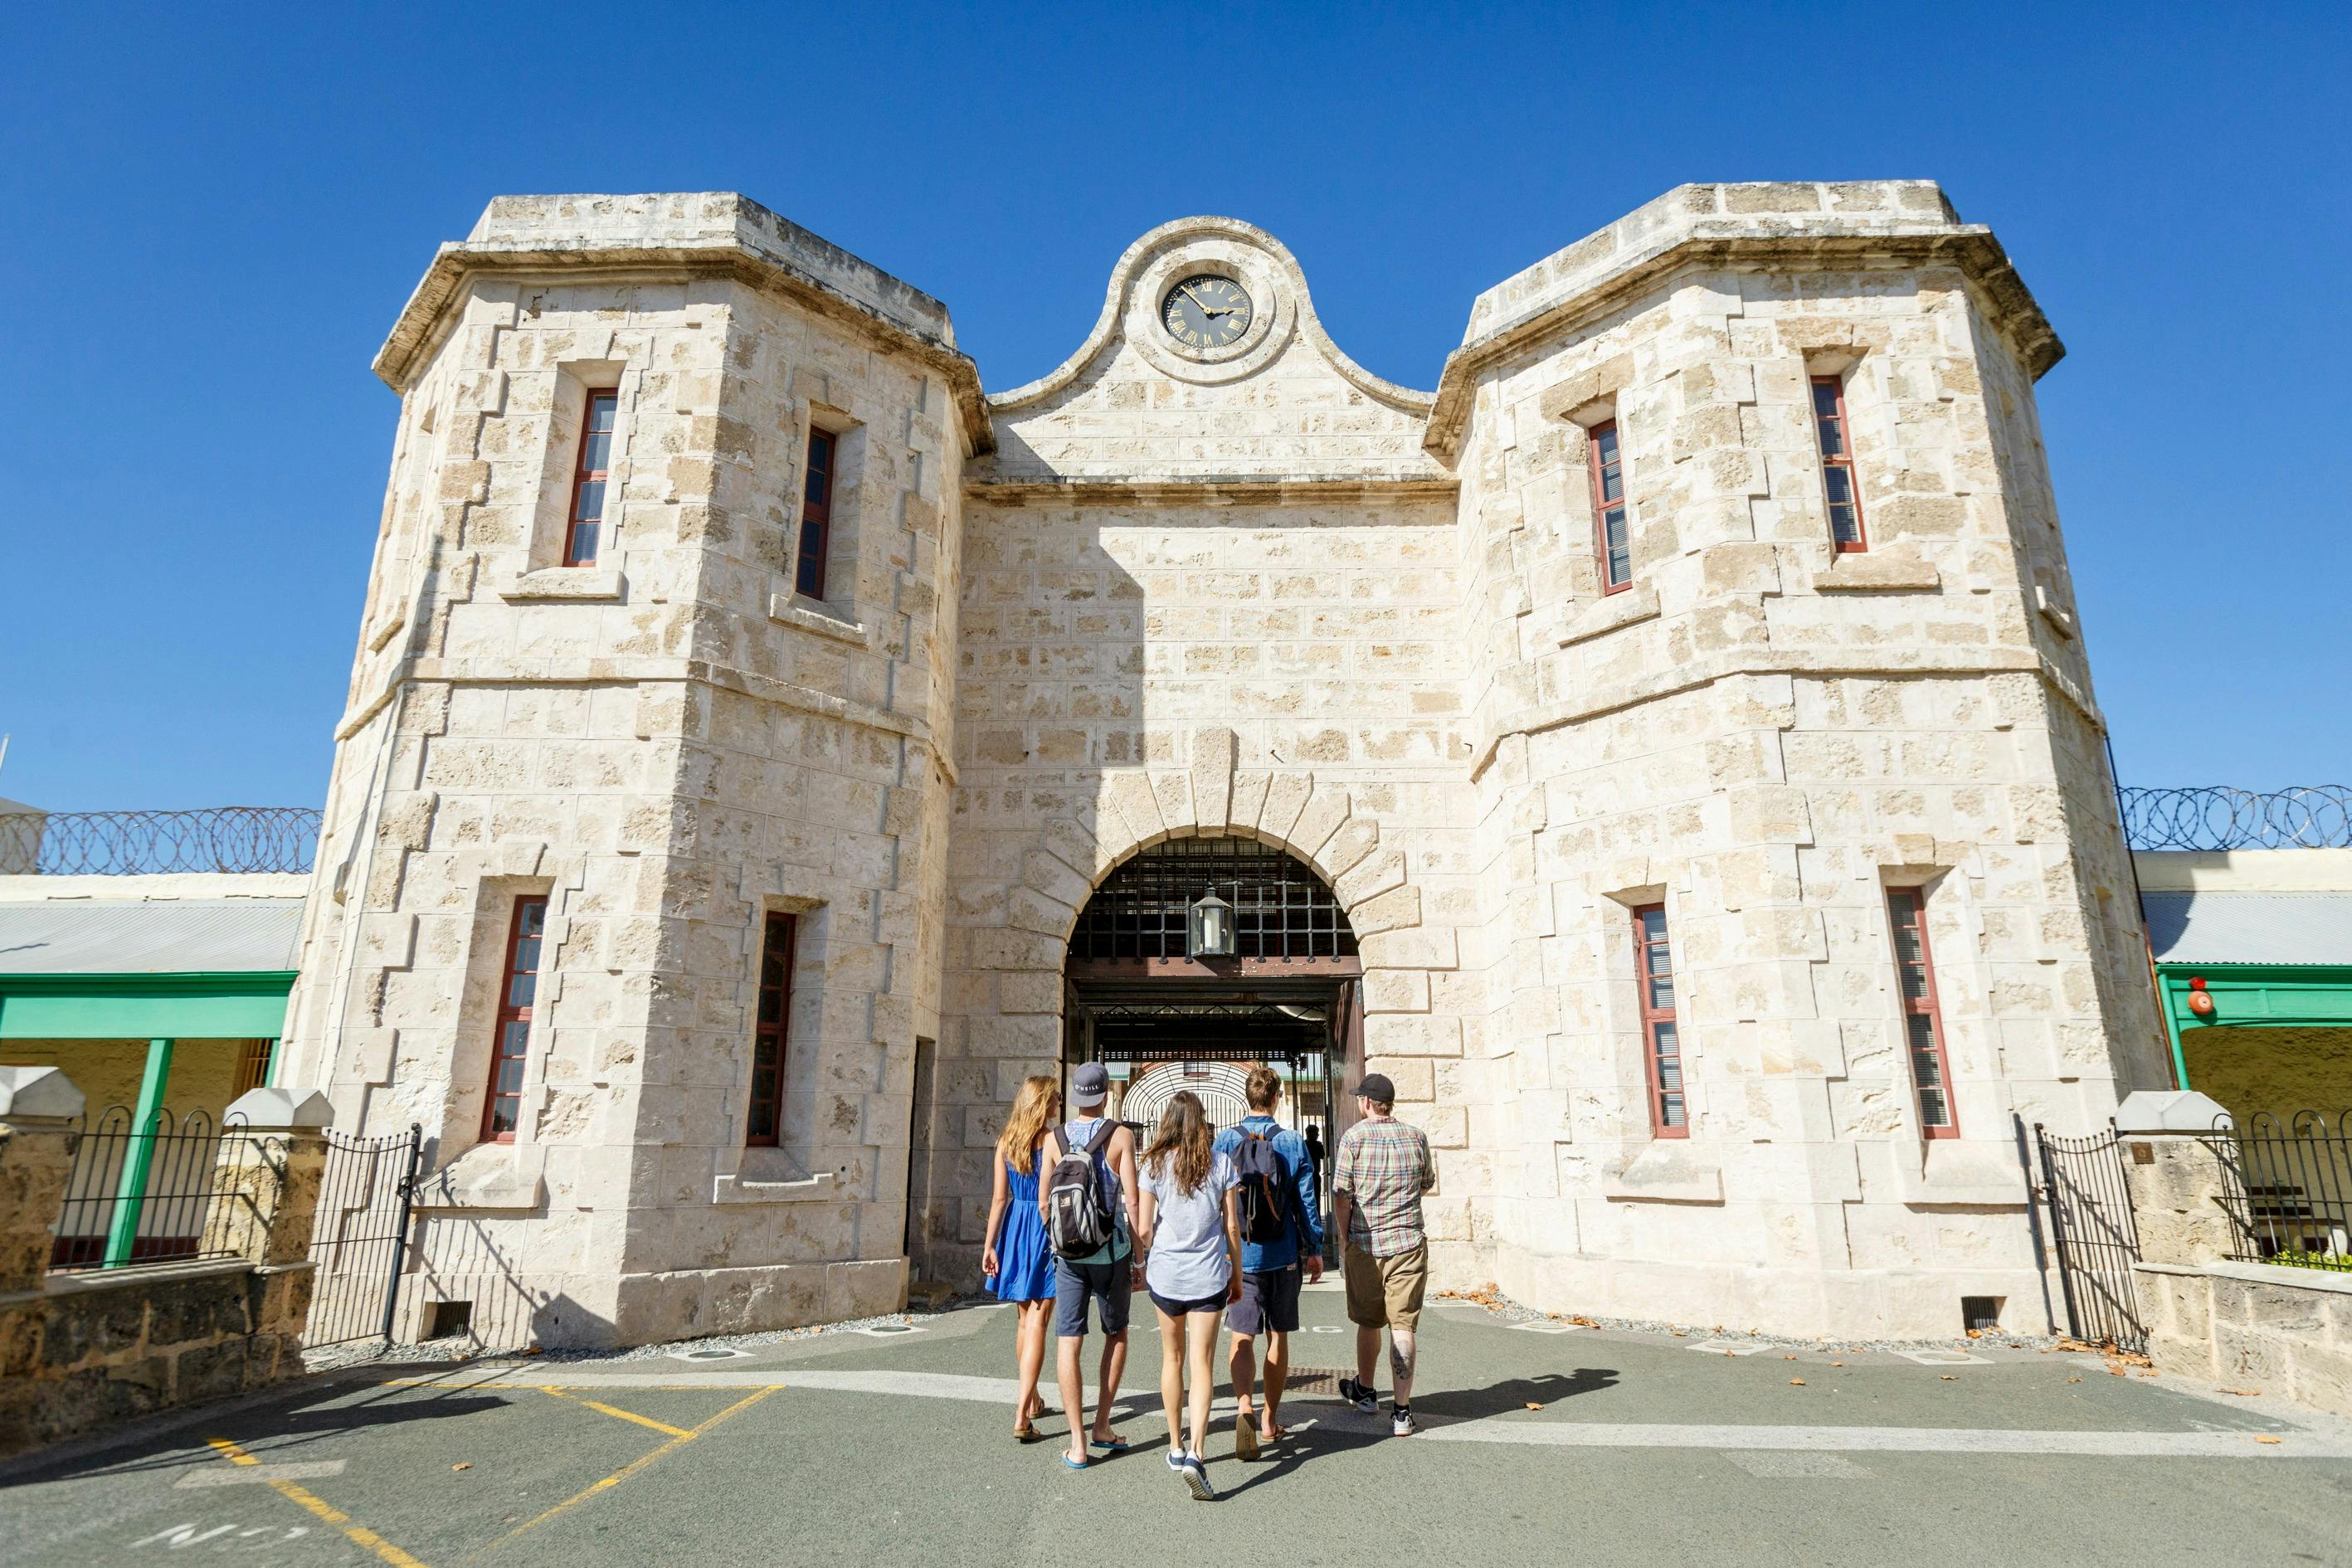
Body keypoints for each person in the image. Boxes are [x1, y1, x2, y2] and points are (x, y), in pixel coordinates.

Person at [1211, 1065, 1324, 1458]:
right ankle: (1269, 1420)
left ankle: (1243, 1405)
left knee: (1241, 1336)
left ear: (1248, 1097)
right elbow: (1306, 1199)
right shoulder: (1292, 1142)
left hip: (1240, 1255)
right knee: (1278, 1336)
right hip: (1282, 1254)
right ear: (1276, 1098)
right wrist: (1315, 1247)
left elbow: (1213, 1197)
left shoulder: (1226, 1141)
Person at [1135, 1090, 1240, 1501]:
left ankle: (1175, 1446)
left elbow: (1145, 1228)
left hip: (1167, 1275)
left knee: (1172, 1358)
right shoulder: (1221, 1163)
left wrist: (1149, 1254)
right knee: (1202, 1364)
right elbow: (1232, 1227)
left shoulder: (1153, 1164)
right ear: (1201, 1122)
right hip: (1208, 1275)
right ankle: (1198, 1451)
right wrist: (1237, 1275)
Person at [1040, 1060, 1142, 1471]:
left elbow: (1045, 1202)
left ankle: (1077, 1443)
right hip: (1111, 1253)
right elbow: (1132, 1202)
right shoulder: (1121, 1136)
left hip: (1068, 1256)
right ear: (1104, 1095)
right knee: (1115, 1333)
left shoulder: (1054, 1139)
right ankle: (1102, 1424)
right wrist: (1139, 1255)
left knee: (1068, 1340)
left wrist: (1060, 1240)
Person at [1330, 1072, 1436, 1437]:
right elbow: (1426, 1184)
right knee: (1402, 1325)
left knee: (1369, 1320)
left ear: (1366, 1103)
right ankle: (1402, 1412)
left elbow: (1341, 1194)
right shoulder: (1416, 1136)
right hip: (1408, 1243)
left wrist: (1344, 1237)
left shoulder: (1354, 1138)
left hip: (1366, 1242)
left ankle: (1365, 1390)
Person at [981, 1074, 1060, 1442]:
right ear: (1043, 1102)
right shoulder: (1053, 1140)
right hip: (1043, 1228)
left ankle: (1034, 1399)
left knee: (1024, 1321)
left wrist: (989, 1245)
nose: (1059, 1102)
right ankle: (1022, 1413)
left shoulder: (1005, 1141)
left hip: (1015, 1227)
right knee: (1039, 1322)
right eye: (1055, 1097)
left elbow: (999, 1199)